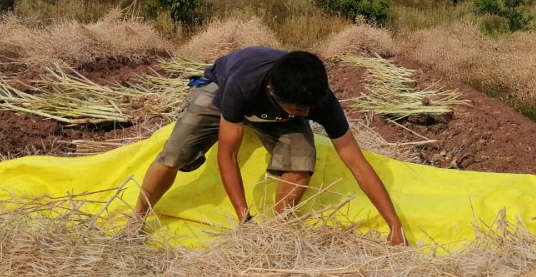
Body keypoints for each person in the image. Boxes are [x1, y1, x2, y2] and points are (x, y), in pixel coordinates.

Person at [127, 47, 406, 244]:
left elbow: (356, 162)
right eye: (295, 109)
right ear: (273, 93)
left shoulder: (318, 100)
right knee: (174, 153)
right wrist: (243, 218)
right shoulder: (242, 84)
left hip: (274, 114)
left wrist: (394, 223)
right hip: (218, 91)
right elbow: (228, 155)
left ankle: (278, 230)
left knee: (302, 160)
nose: (303, 113)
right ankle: (136, 220)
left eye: (306, 110)